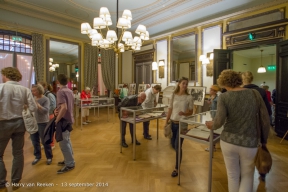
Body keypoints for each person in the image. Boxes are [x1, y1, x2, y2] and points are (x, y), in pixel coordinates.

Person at [205, 69, 270, 192]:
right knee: (247, 176)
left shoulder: (224, 97)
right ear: (239, 80)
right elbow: (265, 119)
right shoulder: (255, 94)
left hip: (228, 141)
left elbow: (218, 122)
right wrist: (264, 140)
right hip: (250, 142)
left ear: (223, 83)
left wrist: (211, 125)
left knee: (233, 176)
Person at [0, 67, 37, 188]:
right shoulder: (24, 89)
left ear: (5, 75)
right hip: (20, 123)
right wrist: (24, 107)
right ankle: (16, 181)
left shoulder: (1, 87)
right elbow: (33, 108)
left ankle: (1, 182)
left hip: (3, 123)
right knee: (18, 153)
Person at [242, 71, 272, 181]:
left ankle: (245, 175)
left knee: (245, 151)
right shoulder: (261, 91)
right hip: (259, 126)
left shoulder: (241, 91)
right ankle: (262, 171)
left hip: (244, 127)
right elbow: (268, 111)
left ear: (243, 80)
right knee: (260, 148)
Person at [165, 77, 194, 177]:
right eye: (183, 83)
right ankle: (179, 155)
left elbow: (191, 112)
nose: (185, 85)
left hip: (182, 124)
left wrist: (185, 114)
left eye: (186, 84)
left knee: (178, 146)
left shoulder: (189, 97)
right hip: (173, 123)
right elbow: (170, 108)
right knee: (173, 144)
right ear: (179, 84)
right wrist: (166, 121)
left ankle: (176, 168)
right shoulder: (173, 95)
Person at [54, 74, 75, 174]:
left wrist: (57, 120)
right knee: (67, 140)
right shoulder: (70, 91)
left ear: (58, 81)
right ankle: (68, 159)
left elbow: (64, 107)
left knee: (63, 143)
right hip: (69, 119)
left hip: (63, 120)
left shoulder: (60, 92)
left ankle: (70, 163)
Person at [30, 84, 53, 165]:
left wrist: (38, 106)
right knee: (34, 141)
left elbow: (46, 111)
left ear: (39, 90)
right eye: (32, 91)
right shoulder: (33, 98)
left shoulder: (45, 99)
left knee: (44, 141)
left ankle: (49, 157)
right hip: (33, 122)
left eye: (34, 90)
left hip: (43, 122)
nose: (33, 92)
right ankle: (37, 156)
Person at [39, 81, 57, 149]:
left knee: (50, 130)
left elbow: (53, 105)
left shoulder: (49, 95)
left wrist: (45, 110)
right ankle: (45, 143)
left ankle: (52, 144)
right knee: (44, 130)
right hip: (44, 115)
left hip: (49, 114)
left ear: (44, 87)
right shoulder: (42, 94)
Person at [205, 84, 220, 152]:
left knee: (214, 130)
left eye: (211, 90)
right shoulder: (211, 97)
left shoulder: (218, 98)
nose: (210, 91)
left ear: (215, 91)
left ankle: (212, 146)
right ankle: (213, 145)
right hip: (212, 115)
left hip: (216, 116)